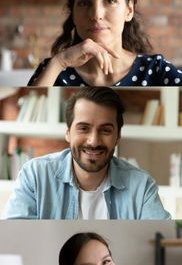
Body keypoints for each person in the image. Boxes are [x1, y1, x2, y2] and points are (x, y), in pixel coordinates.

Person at [3, 87, 171, 219]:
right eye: (83, 128)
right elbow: (14, 238)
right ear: (68, 133)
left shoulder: (141, 186)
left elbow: (161, 236)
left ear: (118, 136)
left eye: (105, 130)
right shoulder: (35, 175)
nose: (94, 141)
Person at [28, 0, 182, 87]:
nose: (96, 14)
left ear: (129, 10)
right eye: (84, 3)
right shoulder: (53, 69)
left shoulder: (157, 70)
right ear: (73, 13)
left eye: (109, 1)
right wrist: (60, 61)